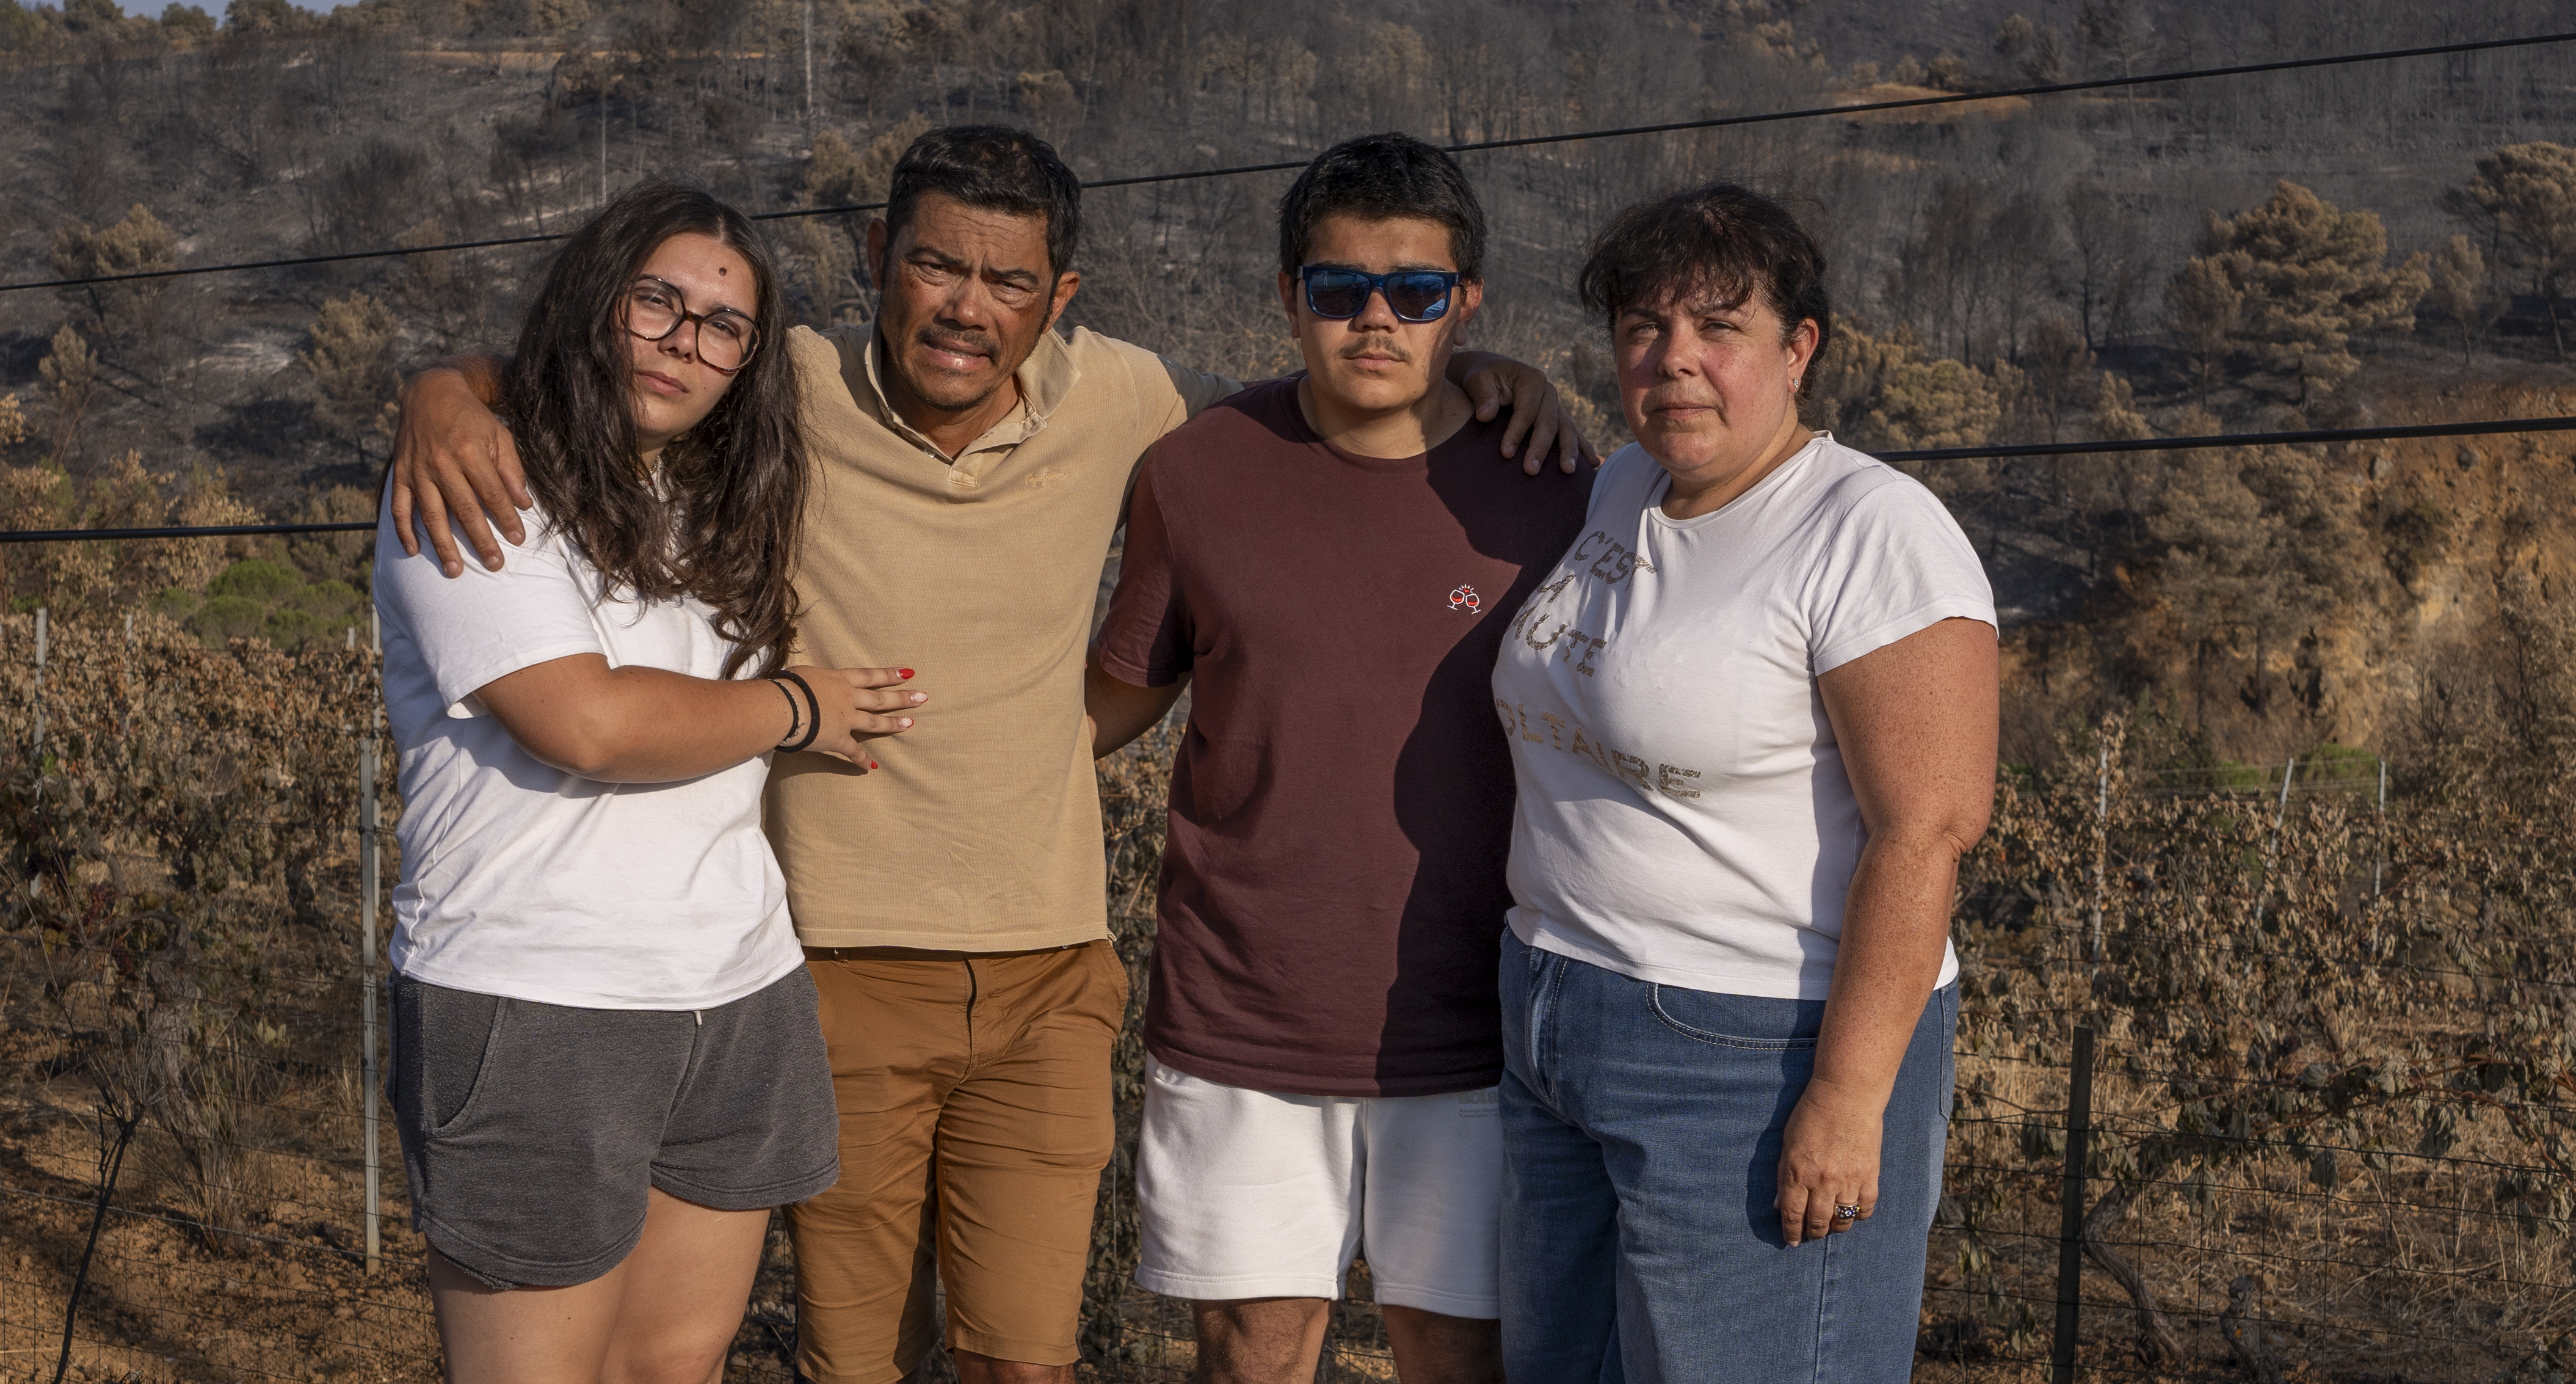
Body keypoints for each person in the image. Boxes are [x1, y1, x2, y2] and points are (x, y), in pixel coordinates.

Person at [385, 126, 1587, 1384]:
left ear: (1059, 300)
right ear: (876, 260)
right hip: (821, 964)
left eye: (1010, 281)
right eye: (935, 266)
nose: (968, 307)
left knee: (1023, 1359)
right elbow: (599, 363)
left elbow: (1348, 402)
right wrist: (448, 391)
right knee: (850, 1360)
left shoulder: (1136, 408)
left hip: (1047, 977)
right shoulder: (775, 378)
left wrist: (1489, 374)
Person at [373, 181, 930, 1384]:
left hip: (735, 986)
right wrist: (799, 707)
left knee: (676, 1365)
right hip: (535, 996)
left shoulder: (713, 493)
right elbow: (583, 722)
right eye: (657, 302)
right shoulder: (476, 480)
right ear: (596, 300)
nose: (686, 339)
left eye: (722, 324)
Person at [1087, 136, 1592, 1384]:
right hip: (1240, 1018)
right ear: (1286, 295)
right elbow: (1109, 705)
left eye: (1416, 292)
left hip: (1482, 1022)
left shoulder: (1556, 486)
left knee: (1460, 1356)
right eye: (1338, 289)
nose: (1376, 318)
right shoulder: (1195, 473)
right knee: (1252, 1354)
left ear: (1466, 301)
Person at [1487, 181, 1998, 1382]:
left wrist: (1846, 1096)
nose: (1674, 362)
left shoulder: (1869, 532)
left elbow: (1927, 828)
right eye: (1641, 330)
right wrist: (1481, 377)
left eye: (1717, 328)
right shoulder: (1621, 485)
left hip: (1747, 1049)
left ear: (1798, 346)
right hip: (1554, 1013)